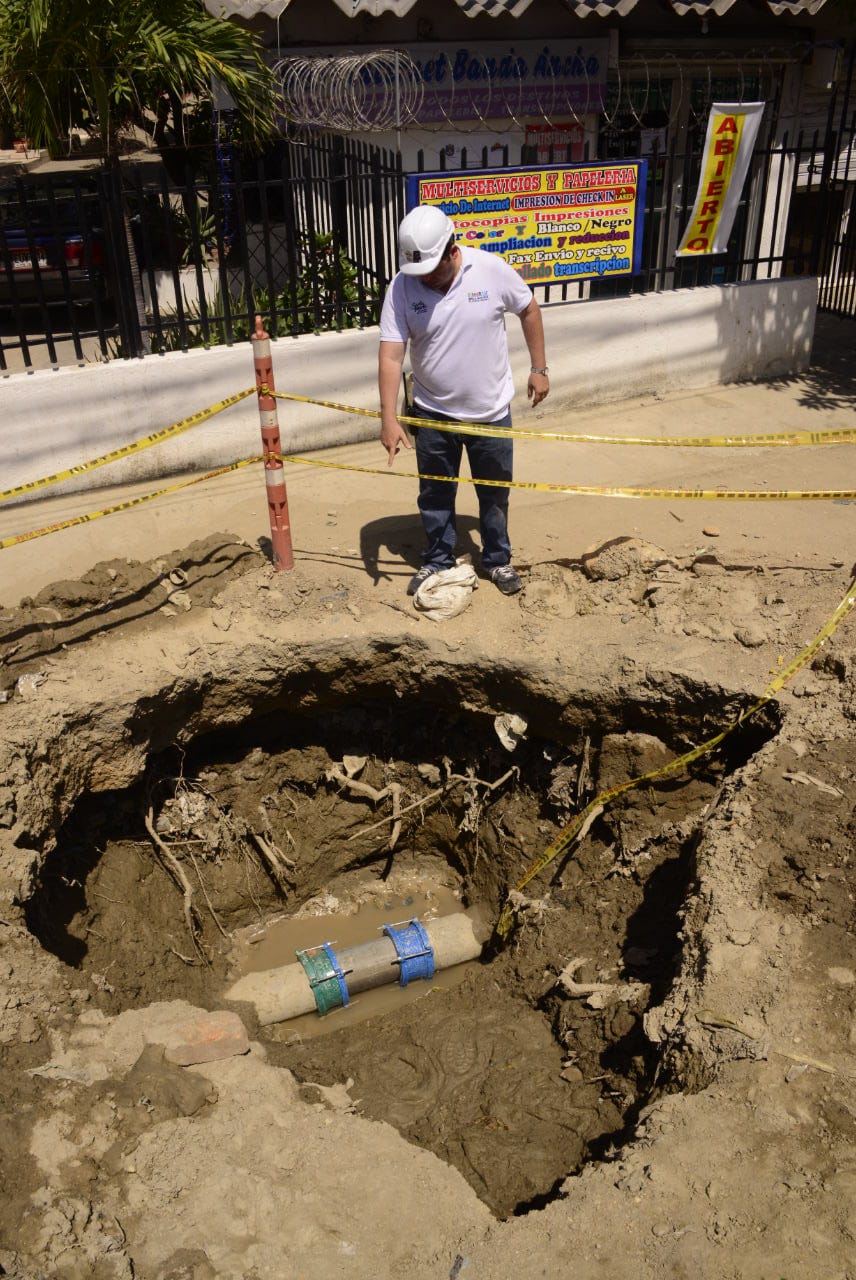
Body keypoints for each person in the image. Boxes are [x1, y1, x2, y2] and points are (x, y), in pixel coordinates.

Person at [378, 205, 549, 597]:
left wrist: (539, 368)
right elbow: (391, 354)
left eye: (433, 271)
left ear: (452, 251)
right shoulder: (403, 286)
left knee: (493, 492)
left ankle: (497, 559)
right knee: (435, 492)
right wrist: (389, 419)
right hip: (433, 413)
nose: (427, 281)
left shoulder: (490, 270)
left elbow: (528, 308)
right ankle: (437, 559)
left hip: (489, 414)